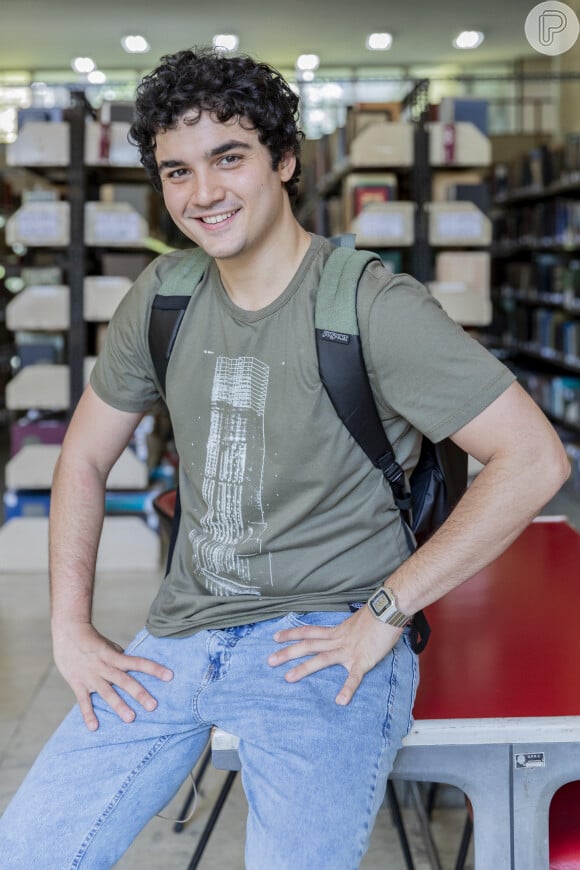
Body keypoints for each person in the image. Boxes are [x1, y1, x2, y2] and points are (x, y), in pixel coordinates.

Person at [0, 47, 569, 869]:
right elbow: (83, 459)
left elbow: (533, 459)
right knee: (27, 850)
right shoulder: (162, 296)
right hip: (181, 636)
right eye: (177, 170)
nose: (203, 194)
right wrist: (69, 627)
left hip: (325, 644)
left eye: (229, 157)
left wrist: (385, 614)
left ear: (286, 160)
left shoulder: (371, 305)